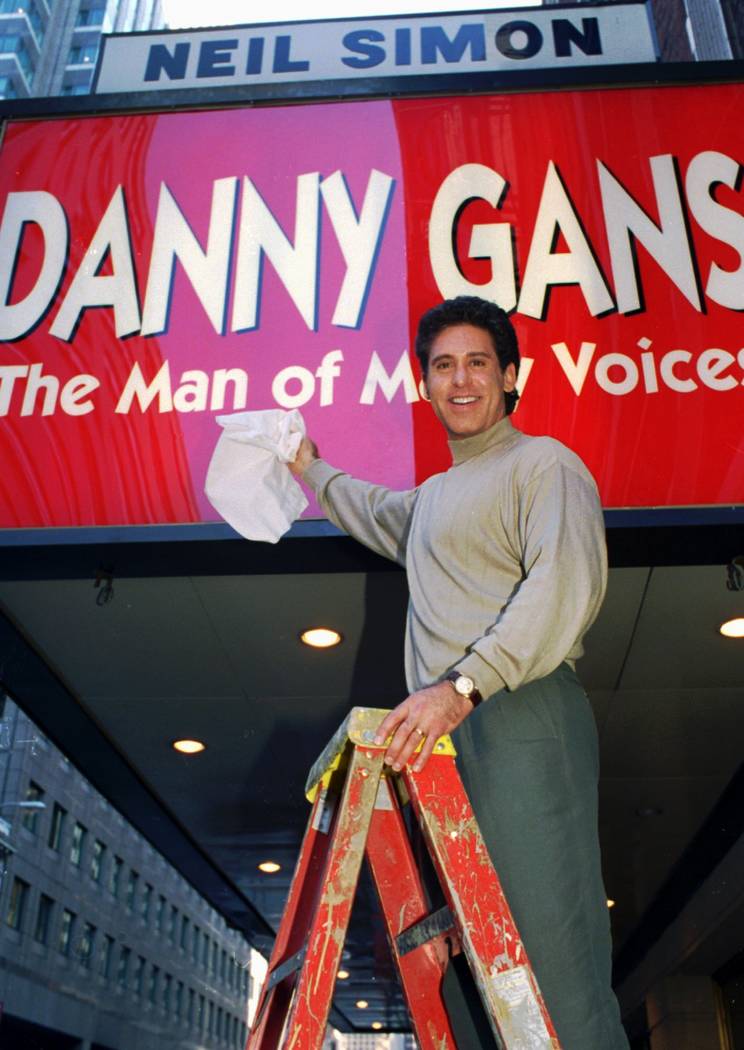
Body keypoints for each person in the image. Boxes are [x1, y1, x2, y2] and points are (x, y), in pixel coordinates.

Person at [289, 295, 629, 1049]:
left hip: (518, 715)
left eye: (479, 362)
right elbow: (374, 511)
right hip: (442, 744)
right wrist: (308, 465)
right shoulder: (433, 498)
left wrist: (464, 687)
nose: (461, 379)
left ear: (511, 376)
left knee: (548, 966)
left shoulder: (544, 465)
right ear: (426, 385)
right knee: (471, 969)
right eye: (443, 366)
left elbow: (562, 585)